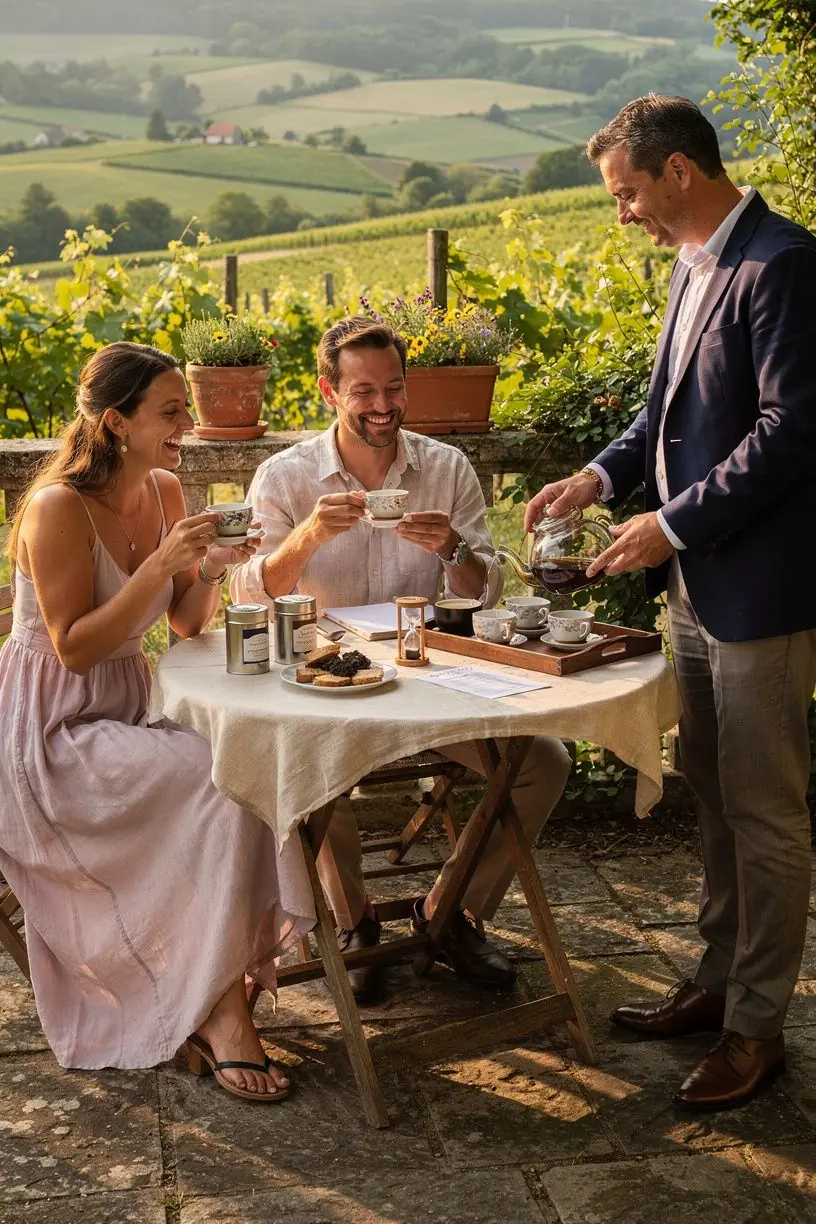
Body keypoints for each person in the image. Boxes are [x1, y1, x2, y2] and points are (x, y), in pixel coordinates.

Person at [525, 94, 816, 1111]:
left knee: (769, 812)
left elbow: (791, 430)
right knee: (713, 792)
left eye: (628, 192)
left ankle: (756, 1028)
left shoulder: (783, 264)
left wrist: (671, 523)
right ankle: (717, 979)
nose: (624, 214)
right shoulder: (697, 269)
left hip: (759, 591)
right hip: (693, 589)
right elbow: (660, 415)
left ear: (679, 173)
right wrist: (598, 483)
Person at [0, 342, 315, 1102]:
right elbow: (74, 650)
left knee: (240, 764)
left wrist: (204, 568)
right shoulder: (56, 508)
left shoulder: (170, 488)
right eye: (170, 412)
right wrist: (156, 566)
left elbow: (183, 622)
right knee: (212, 783)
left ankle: (213, 992)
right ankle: (222, 1010)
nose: (188, 423)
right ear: (116, 421)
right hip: (48, 736)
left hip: (126, 711)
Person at [232, 315, 571, 1002]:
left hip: (431, 686)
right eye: (363, 392)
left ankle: (448, 914)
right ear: (330, 390)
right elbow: (244, 589)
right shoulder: (286, 475)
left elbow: (484, 590)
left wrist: (451, 550)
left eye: (394, 389)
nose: (382, 407)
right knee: (311, 774)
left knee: (543, 764)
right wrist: (304, 538)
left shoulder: (446, 469)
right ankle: (356, 925)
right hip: (329, 688)